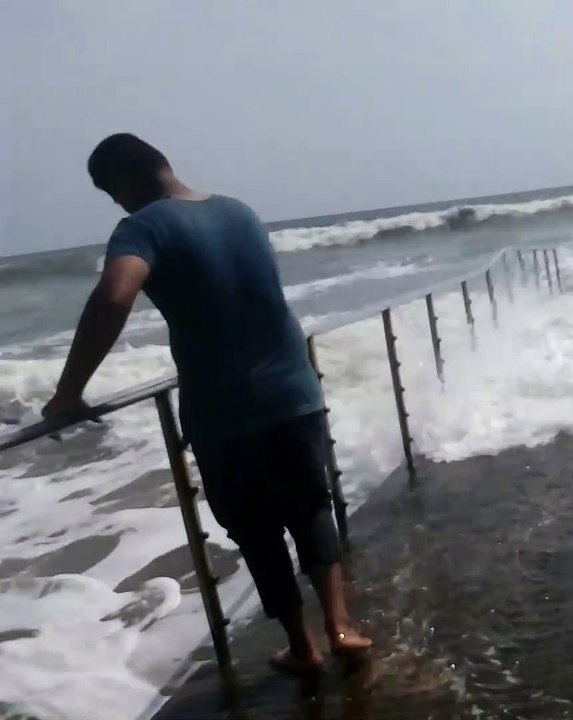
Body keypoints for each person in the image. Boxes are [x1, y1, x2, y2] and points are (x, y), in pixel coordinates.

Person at [42, 133, 372, 674]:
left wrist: (68, 393)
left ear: (126, 180)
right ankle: (339, 628)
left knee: (256, 529)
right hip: (294, 390)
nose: (116, 205)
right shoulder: (238, 211)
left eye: (110, 192)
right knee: (310, 507)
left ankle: (303, 648)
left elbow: (114, 296)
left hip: (226, 409)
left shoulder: (143, 226)